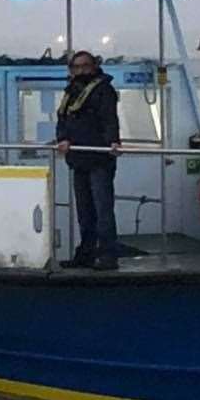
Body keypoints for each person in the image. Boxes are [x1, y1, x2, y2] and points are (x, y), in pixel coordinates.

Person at [55, 50, 122, 271]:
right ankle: (85, 253)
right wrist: (62, 139)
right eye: (76, 67)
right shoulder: (71, 92)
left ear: (94, 67)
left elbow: (110, 119)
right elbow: (62, 120)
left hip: (99, 158)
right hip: (78, 159)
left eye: (85, 66)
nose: (81, 70)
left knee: (103, 210)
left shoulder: (104, 90)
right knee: (84, 211)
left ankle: (108, 256)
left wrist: (113, 142)